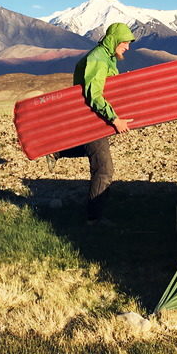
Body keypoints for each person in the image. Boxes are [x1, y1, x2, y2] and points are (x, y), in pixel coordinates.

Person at [56, 22, 136, 223]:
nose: (128, 47)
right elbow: (94, 96)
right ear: (114, 40)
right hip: (93, 118)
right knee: (104, 169)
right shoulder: (98, 59)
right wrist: (114, 119)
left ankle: (56, 151)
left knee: (95, 155)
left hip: (96, 119)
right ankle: (94, 219)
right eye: (125, 42)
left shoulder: (107, 58)